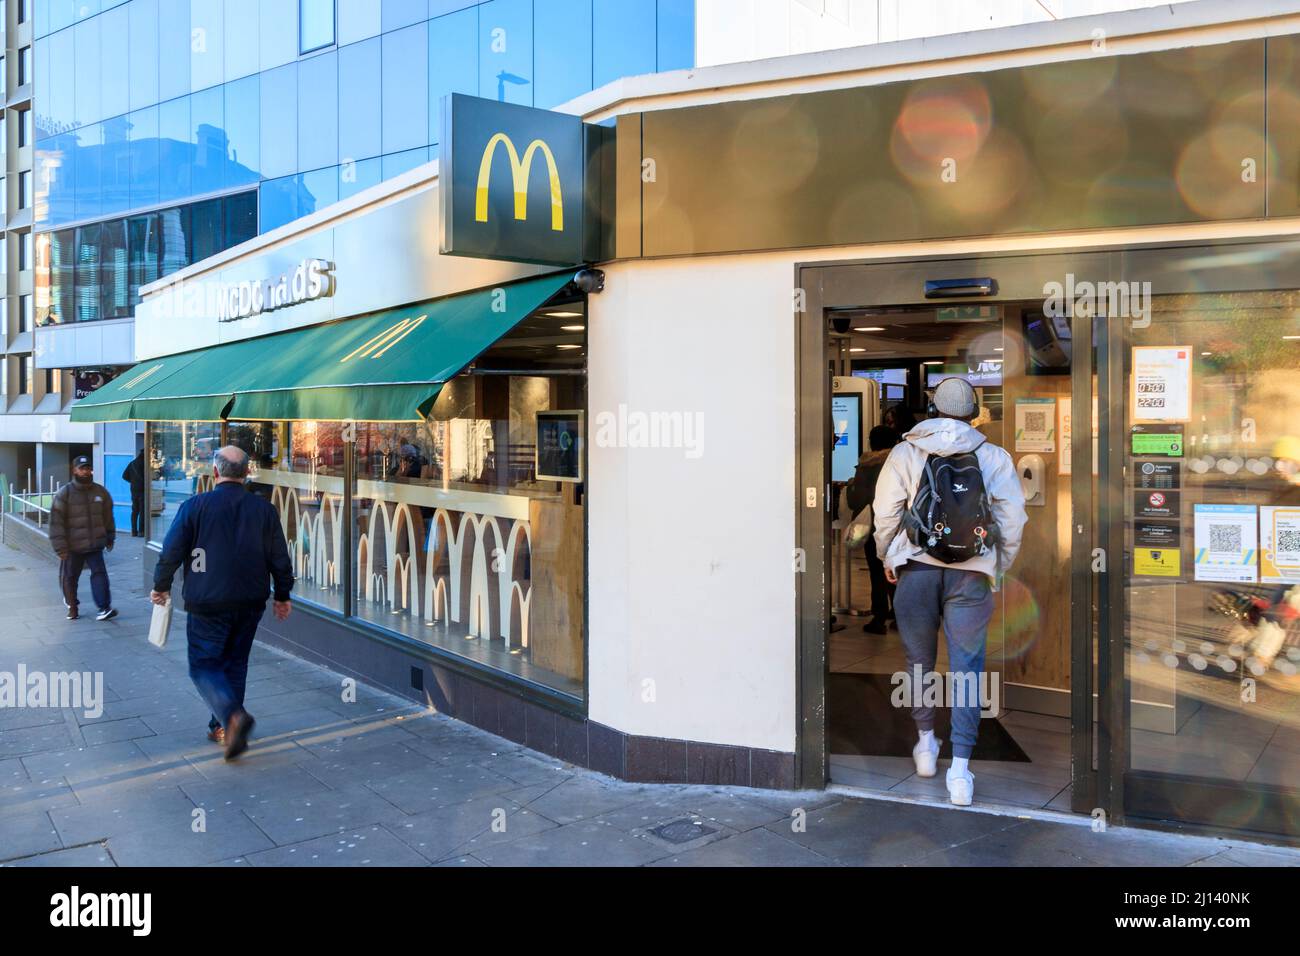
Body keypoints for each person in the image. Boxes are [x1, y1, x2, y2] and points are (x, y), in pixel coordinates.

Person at [872, 377, 1027, 806]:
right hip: (970, 576)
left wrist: (889, 555)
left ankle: (926, 745)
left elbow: (885, 511)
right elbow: (1012, 520)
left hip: (916, 570)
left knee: (918, 662)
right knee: (967, 670)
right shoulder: (993, 456)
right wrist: (995, 565)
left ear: (932, 408)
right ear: (973, 411)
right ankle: (960, 770)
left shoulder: (905, 451)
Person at [150, 446, 294, 761]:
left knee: (204, 664)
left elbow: (171, 551)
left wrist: (161, 587)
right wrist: (283, 595)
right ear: (247, 473)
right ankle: (223, 726)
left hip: (207, 602)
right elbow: (280, 559)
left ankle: (231, 716)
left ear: (216, 473)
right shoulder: (264, 511)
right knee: (235, 663)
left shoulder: (194, 507)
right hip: (250, 601)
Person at [49, 456, 118, 622]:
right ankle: (72, 606)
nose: (86, 471)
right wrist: (60, 547)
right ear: (74, 470)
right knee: (70, 577)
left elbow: (108, 517)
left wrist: (110, 537)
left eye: (88, 468)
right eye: (82, 468)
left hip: (95, 545)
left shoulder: (101, 492)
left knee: (100, 574)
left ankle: (104, 608)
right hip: (72, 547)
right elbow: (56, 522)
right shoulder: (64, 494)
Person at [846, 424, 900, 633]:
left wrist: (852, 486)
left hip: (871, 525)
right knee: (895, 568)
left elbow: (857, 500)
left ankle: (878, 617)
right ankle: (898, 613)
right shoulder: (896, 463)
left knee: (876, 572)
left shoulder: (865, 465)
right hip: (894, 524)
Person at [122, 449, 147, 537]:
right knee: (142, 511)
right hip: (143, 490)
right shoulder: (145, 464)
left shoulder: (132, 463)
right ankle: (141, 531)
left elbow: (124, 476)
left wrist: (133, 481)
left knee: (135, 511)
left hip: (134, 490)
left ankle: (133, 531)